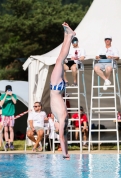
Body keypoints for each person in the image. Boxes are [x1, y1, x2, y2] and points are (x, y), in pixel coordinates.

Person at [50, 22, 76, 159]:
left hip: (58, 88)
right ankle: (69, 36)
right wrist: (64, 153)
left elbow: (63, 137)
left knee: (60, 59)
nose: (54, 128)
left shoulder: (59, 118)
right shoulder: (62, 118)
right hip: (55, 87)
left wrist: (66, 153)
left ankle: (67, 35)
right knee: (60, 60)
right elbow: (61, 137)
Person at [0, 85, 17, 150]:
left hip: (11, 114)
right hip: (4, 115)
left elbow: (15, 102)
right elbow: (1, 103)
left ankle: (11, 143)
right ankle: (7, 142)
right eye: (8, 90)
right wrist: (6, 95)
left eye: (10, 90)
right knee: (6, 129)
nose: (9, 91)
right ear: (6, 90)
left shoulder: (14, 95)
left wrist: (11, 95)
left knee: (11, 129)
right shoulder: (2, 96)